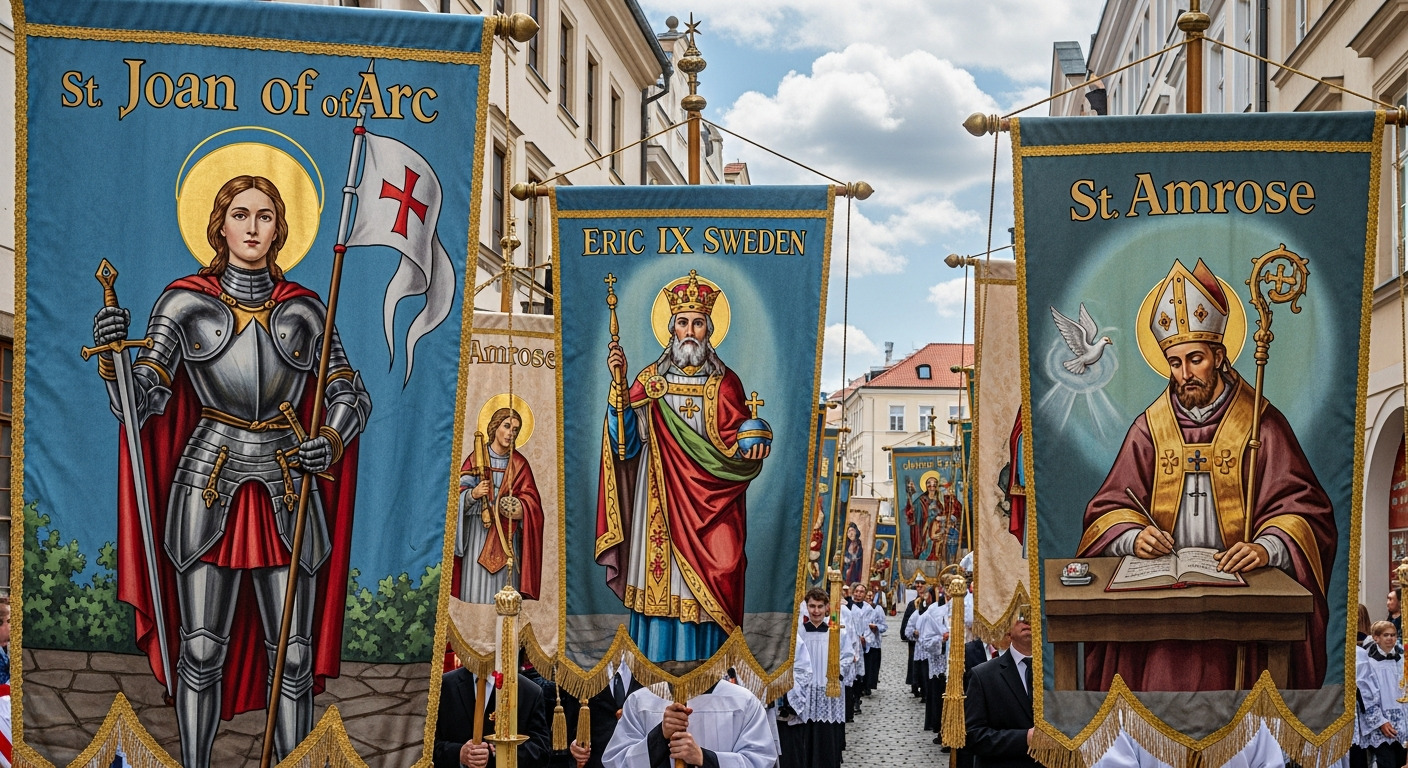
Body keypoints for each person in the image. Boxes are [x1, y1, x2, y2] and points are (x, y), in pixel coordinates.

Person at [92, 175, 372, 768]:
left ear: (279, 229)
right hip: (207, 475)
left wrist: (330, 438)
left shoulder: (305, 308)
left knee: (293, 655)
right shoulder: (183, 303)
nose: (251, 227)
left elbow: (349, 391)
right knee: (199, 649)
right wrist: (116, 361)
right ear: (219, 224)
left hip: (289, 479)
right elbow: (143, 401)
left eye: (265, 216)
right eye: (240, 214)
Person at [1077, 258, 1335, 692]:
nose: (1184, 374)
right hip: (1160, 616)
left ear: (1219, 355)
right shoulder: (1150, 427)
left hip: (1239, 612)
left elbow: (1307, 511)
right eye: (1174, 362)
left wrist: (1267, 547)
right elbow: (1107, 509)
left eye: (1194, 359)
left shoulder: (1260, 424)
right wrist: (1132, 535)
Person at [596, 270, 770, 664]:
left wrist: (753, 442)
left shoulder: (726, 384)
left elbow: (737, 442)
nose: (689, 330)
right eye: (682, 322)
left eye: (697, 323)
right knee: (661, 583)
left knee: (724, 564)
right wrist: (618, 389)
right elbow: (624, 444)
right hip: (658, 497)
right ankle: (654, 670)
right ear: (671, 328)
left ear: (709, 329)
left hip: (713, 502)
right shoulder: (648, 381)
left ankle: (712, 672)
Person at [455, 407, 545, 602]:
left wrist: (520, 507)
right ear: (495, 427)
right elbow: (455, 498)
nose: (511, 433)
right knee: (475, 593)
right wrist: (473, 494)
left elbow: (533, 505)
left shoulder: (520, 464)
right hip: (477, 536)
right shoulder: (475, 458)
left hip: (506, 538)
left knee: (505, 597)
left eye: (516, 430)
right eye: (507, 426)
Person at [601, 680, 776, 768]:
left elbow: (760, 761)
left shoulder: (743, 701)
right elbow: (616, 761)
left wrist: (704, 758)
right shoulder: (641, 701)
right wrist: (660, 736)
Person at [964, 605, 1039, 768]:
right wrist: (1024, 738)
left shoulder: (1060, 671)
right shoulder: (983, 676)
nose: (1027, 620)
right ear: (1007, 628)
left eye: (1033, 614)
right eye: (1020, 615)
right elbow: (973, 736)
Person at [434, 667, 552, 768]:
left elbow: (541, 751)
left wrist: (502, 753)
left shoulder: (529, 692)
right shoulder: (443, 686)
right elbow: (426, 745)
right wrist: (459, 753)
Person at [778, 588, 844, 768]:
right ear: (806, 607)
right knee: (803, 734)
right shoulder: (798, 634)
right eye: (812, 606)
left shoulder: (836, 631)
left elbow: (847, 655)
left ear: (827, 608)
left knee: (824, 735)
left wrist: (837, 672)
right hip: (805, 690)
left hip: (825, 688)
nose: (816, 611)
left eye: (820, 607)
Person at [564, 655, 642, 768]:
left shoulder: (648, 670)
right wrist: (574, 747)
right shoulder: (581, 670)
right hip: (595, 762)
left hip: (638, 761)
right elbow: (569, 725)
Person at [1359, 621, 1408, 768]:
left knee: (1401, 762)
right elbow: (1366, 694)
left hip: (1401, 723)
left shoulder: (1401, 662)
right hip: (1382, 723)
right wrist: (1380, 722)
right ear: (1376, 638)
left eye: (1393, 635)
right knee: (1386, 763)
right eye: (1385, 635)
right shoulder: (1369, 663)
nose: (1390, 639)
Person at [905, 473, 943, 560]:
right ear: (926, 486)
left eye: (934, 484)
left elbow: (943, 513)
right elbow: (912, 511)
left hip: (937, 528)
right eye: (929, 483)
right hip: (924, 529)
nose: (932, 486)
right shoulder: (921, 501)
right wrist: (909, 498)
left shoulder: (939, 501)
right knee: (926, 545)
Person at [857, 583, 886, 696]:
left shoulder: (878, 609)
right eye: (867, 595)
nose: (869, 597)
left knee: (871, 667)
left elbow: (884, 626)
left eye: (871, 595)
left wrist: (876, 627)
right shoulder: (861, 608)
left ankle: (869, 685)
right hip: (862, 642)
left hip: (874, 643)